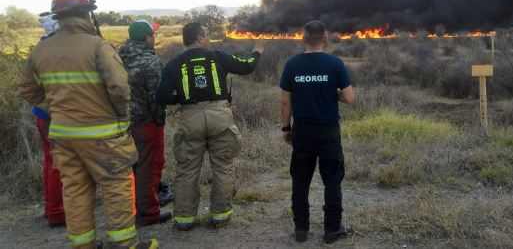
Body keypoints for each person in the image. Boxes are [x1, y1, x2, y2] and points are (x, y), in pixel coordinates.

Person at [18, 0, 158, 249]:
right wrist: (120, 117)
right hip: (103, 134)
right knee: (116, 186)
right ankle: (124, 244)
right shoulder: (97, 46)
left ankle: (83, 245)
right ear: (86, 14)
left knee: (75, 190)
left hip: (64, 136)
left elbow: (27, 88)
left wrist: (56, 109)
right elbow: (119, 87)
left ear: (58, 17)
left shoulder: (42, 50)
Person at [155, 22, 264, 230]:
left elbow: (161, 96)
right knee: (223, 168)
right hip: (219, 117)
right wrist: (257, 52)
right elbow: (247, 65)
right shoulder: (218, 56)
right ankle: (221, 217)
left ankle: (184, 220)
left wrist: (180, 97)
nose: (208, 38)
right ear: (199, 38)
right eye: (206, 35)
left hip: (190, 118)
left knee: (186, 171)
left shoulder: (174, 64)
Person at [279, 20, 355, 244]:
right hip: (328, 131)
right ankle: (332, 230)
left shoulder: (292, 65)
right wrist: (336, 94)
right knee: (332, 180)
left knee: (300, 179)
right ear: (325, 38)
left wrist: (286, 127)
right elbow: (350, 98)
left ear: (303, 39)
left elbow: (285, 101)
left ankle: (301, 230)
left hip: (302, 130)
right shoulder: (335, 64)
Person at [119, 20, 171, 227]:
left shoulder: (117, 58)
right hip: (146, 124)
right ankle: (148, 213)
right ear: (148, 38)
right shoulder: (150, 62)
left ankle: (128, 209)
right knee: (148, 168)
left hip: (120, 124)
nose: (155, 38)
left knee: (128, 168)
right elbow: (156, 98)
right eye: (153, 35)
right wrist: (160, 122)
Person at [33, 14, 65, 228]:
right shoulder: (55, 54)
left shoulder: (39, 51)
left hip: (41, 114)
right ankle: (57, 212)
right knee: (58, 163)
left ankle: (50, 207)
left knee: (49, 160)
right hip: (53, 116)